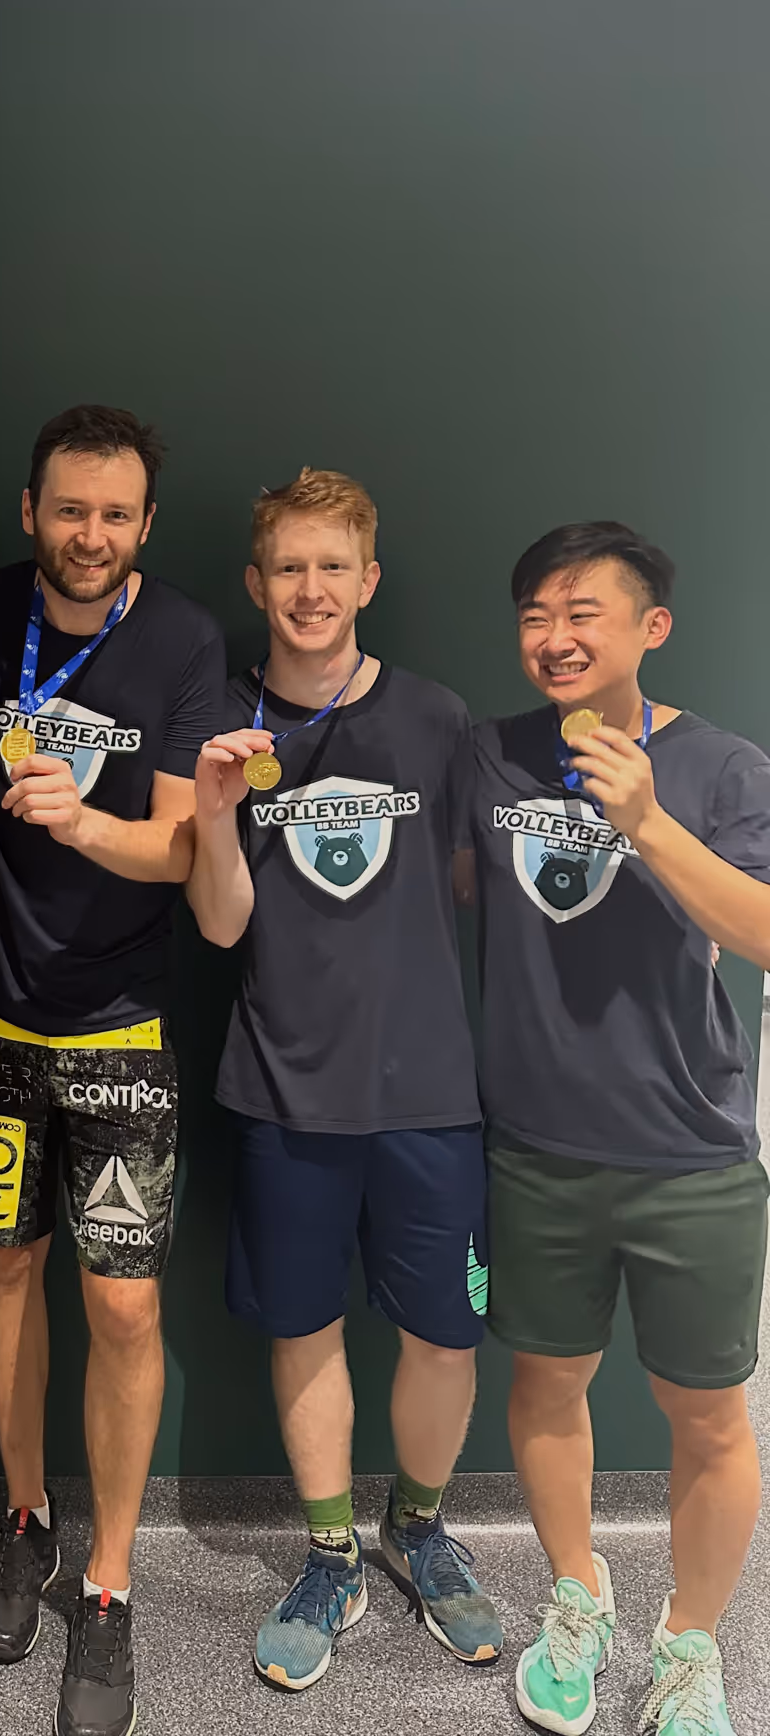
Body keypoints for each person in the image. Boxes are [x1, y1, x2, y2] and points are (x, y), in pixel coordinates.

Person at [0, 405, 226, 1736]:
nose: (90, 535)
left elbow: (183, 852)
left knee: (123, 1309)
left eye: (116, 515)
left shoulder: (184, 640)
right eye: (69, 509)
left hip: (117, 1024)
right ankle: (27, 1520)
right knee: (3, 1269)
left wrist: (82, 820)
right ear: (31, 506)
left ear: (146, 525)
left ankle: (108, 1588)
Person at [185, 467, 501, 1693]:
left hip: (431, 1090)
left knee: (441, 1329)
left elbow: (470, 886)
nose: (311, 590)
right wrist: (216, 813)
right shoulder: (220, 722)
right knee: (305, 1326)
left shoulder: (437, 716)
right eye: (290, 568)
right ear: (257, 584)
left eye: (335, 567)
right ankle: (331, 1556)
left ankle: (417, 1530)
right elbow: (218, 926)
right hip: (282, 1089)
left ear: (368, 581)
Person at [473, 522, 770, 1736]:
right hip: (535, 1145)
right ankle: (576, 1595)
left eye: (584, 610)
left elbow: (760, 929)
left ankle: (693, 1642)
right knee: (548, 1384)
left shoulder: (722, 766)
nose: (557, 634)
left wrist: (648, 820)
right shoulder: (489, 758)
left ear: (649, 626)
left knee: (708, 1412)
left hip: (692, 1152)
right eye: (538, 612)